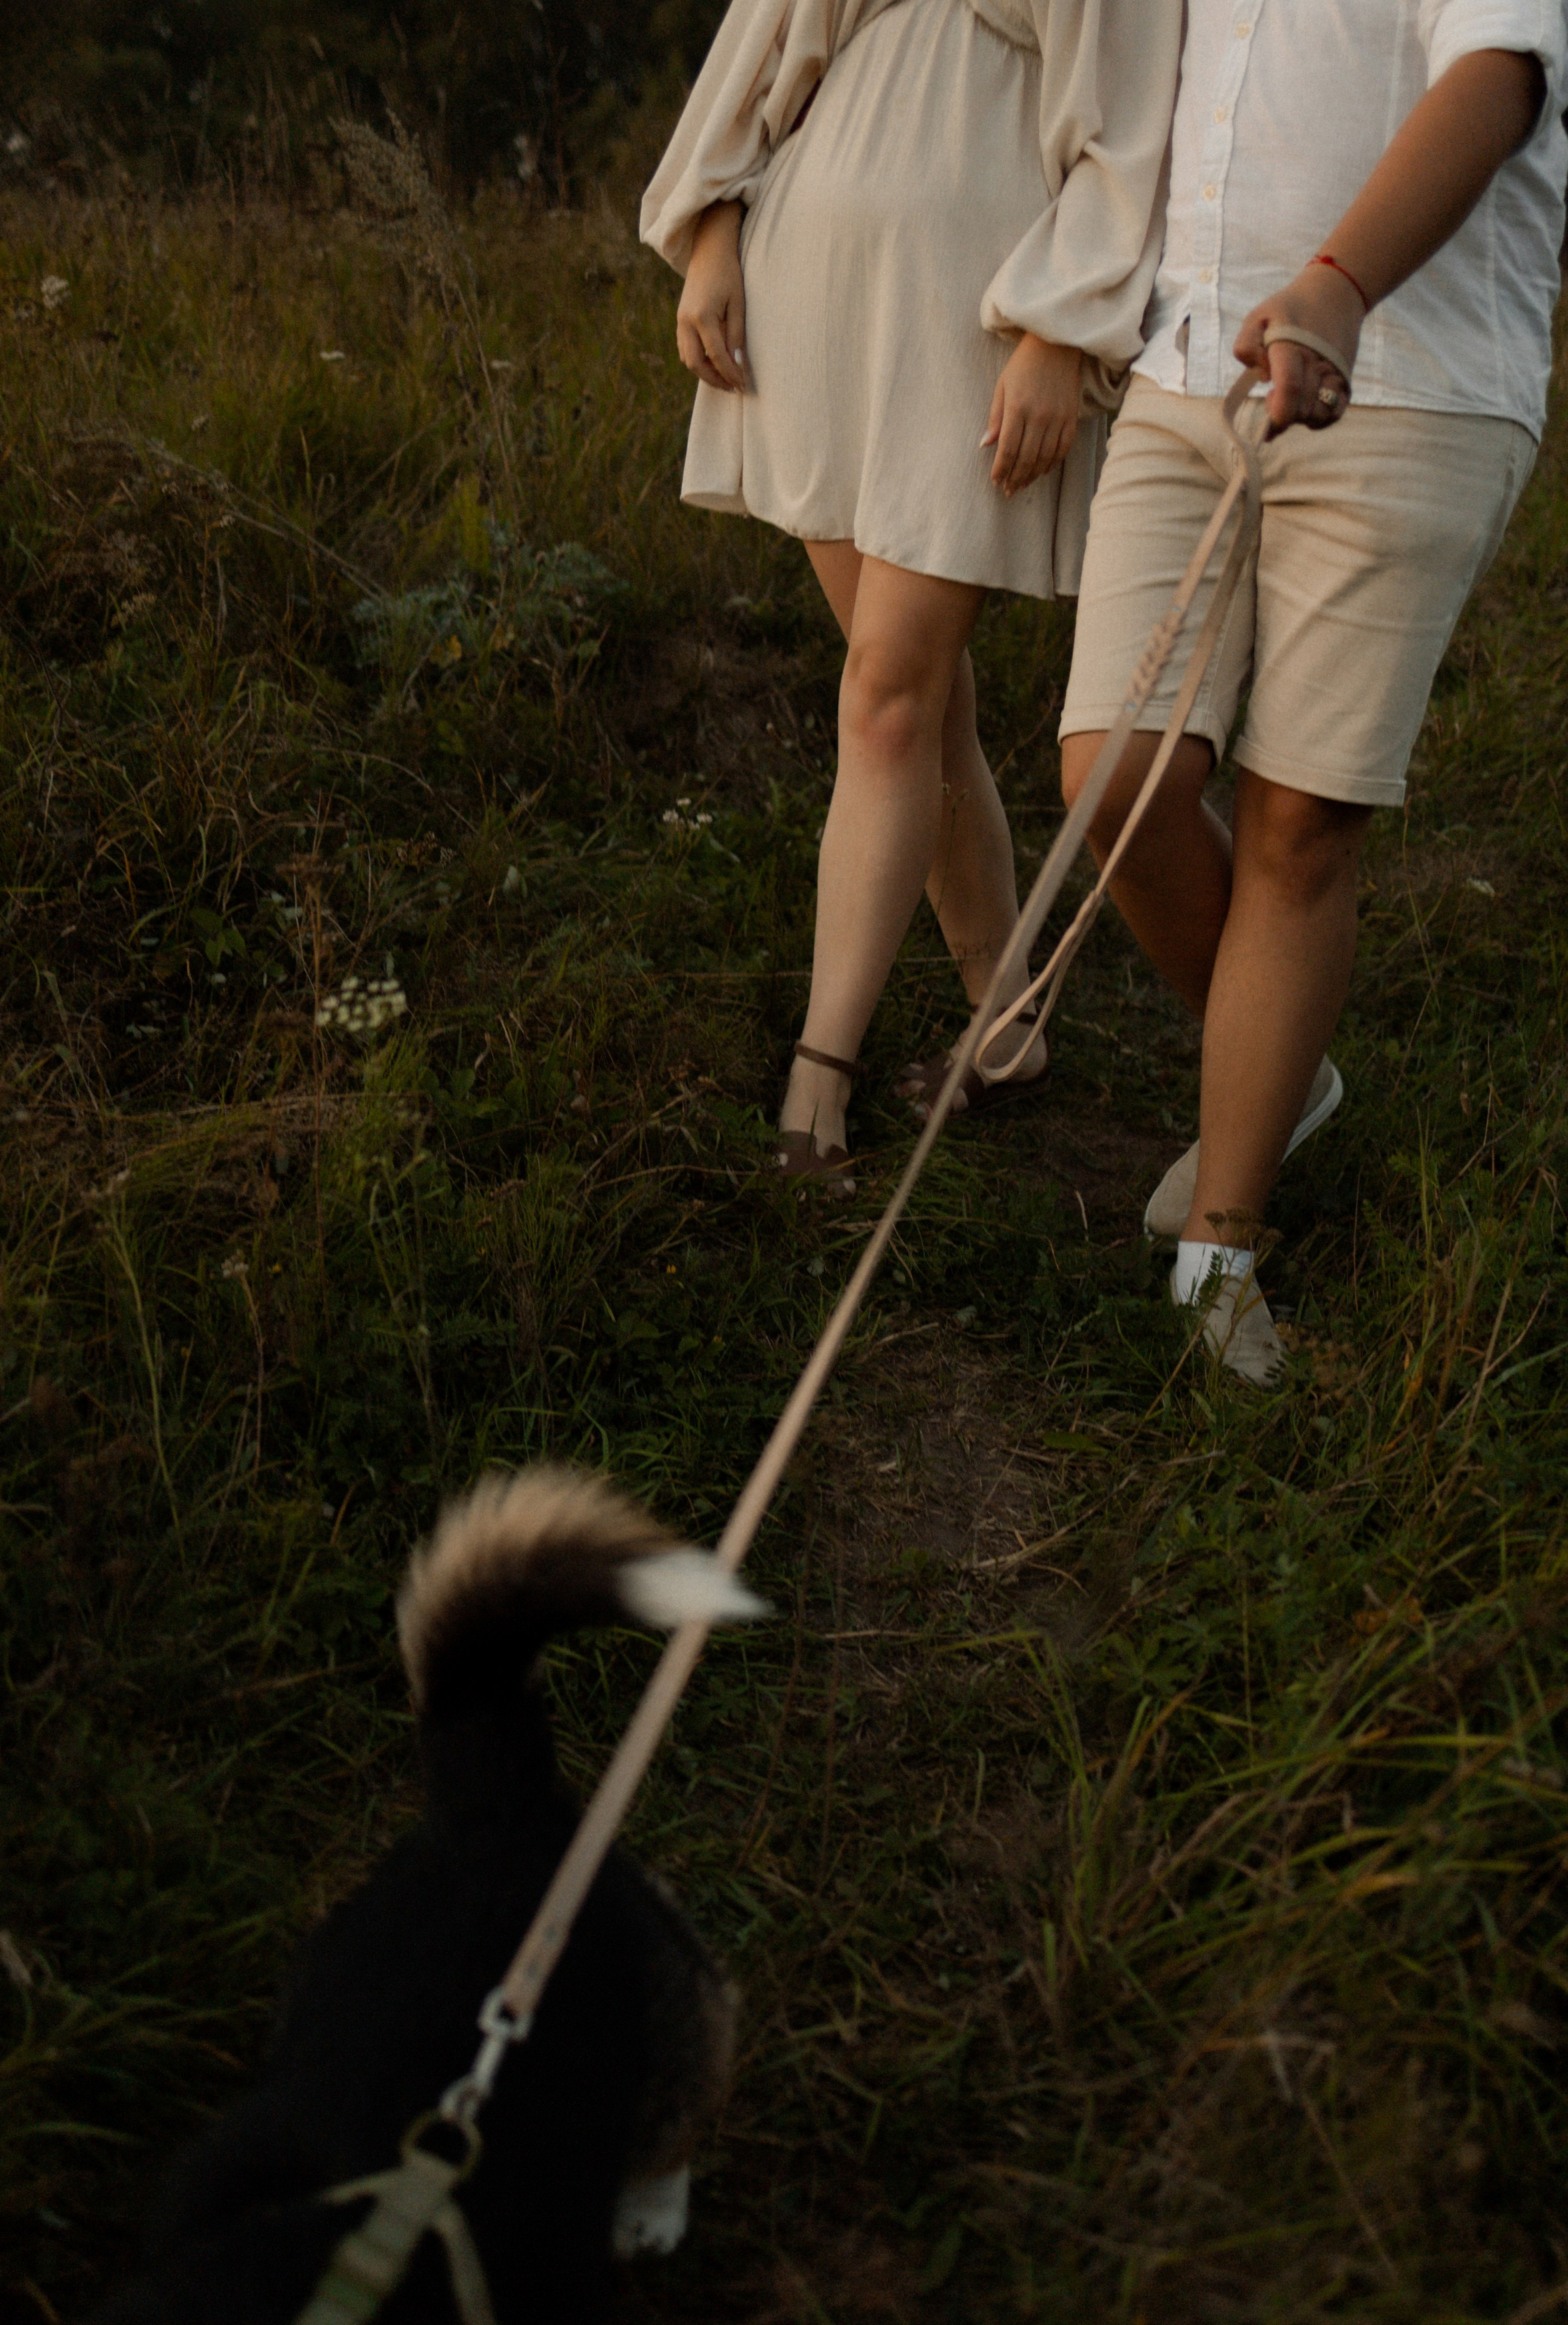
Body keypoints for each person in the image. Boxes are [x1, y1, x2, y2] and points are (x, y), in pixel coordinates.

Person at [1058, 0, 1566, 1381]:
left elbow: (1498, 75)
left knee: (1297, 822)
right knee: (1112, 772)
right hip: (1188, 372)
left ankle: (1219, 1254)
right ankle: (1287, 1080)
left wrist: (1339, 279)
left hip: (1416, 380)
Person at [641, 0, 1181, 1191]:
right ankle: (1010, 1016)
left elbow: (1134, 121)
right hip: (816, 309)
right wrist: (718, 231)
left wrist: (1057, 331)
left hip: (972, 324)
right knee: (922, 709)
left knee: (888, 698)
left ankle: (819, 1068)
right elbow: (764, 52)